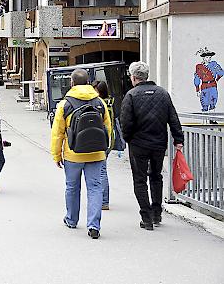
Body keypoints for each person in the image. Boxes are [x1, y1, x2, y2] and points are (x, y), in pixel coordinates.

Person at [120, 61, 184, 230]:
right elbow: (173, 118)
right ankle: (156, 213)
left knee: (139, 180)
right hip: (158, 144)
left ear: (134, 77)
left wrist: (128, 139)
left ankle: (146, 218)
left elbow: (125, 122)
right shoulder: (163, 94)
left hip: (138, 145)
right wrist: (178, 140)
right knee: (156, 176)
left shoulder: (131, 95)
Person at [51, 68, 111, 240]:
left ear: (72, 82)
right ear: (87, 82)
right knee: (95, 188)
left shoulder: (65, 104)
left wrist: (56, 155)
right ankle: (94, 225)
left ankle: (71, 219)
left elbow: (58, 133)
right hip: (96, 153)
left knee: (72, 187)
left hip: (73, 154)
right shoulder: (99, 102)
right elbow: (108, 128)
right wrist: (104, 150)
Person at [92, 80, 114, 211]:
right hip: (107, 139)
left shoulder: (101, 104)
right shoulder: (109, 102)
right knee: (101, 169)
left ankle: (104, 201)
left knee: (101, 170)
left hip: (104, 140)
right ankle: (103, 198)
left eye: (95, 90)